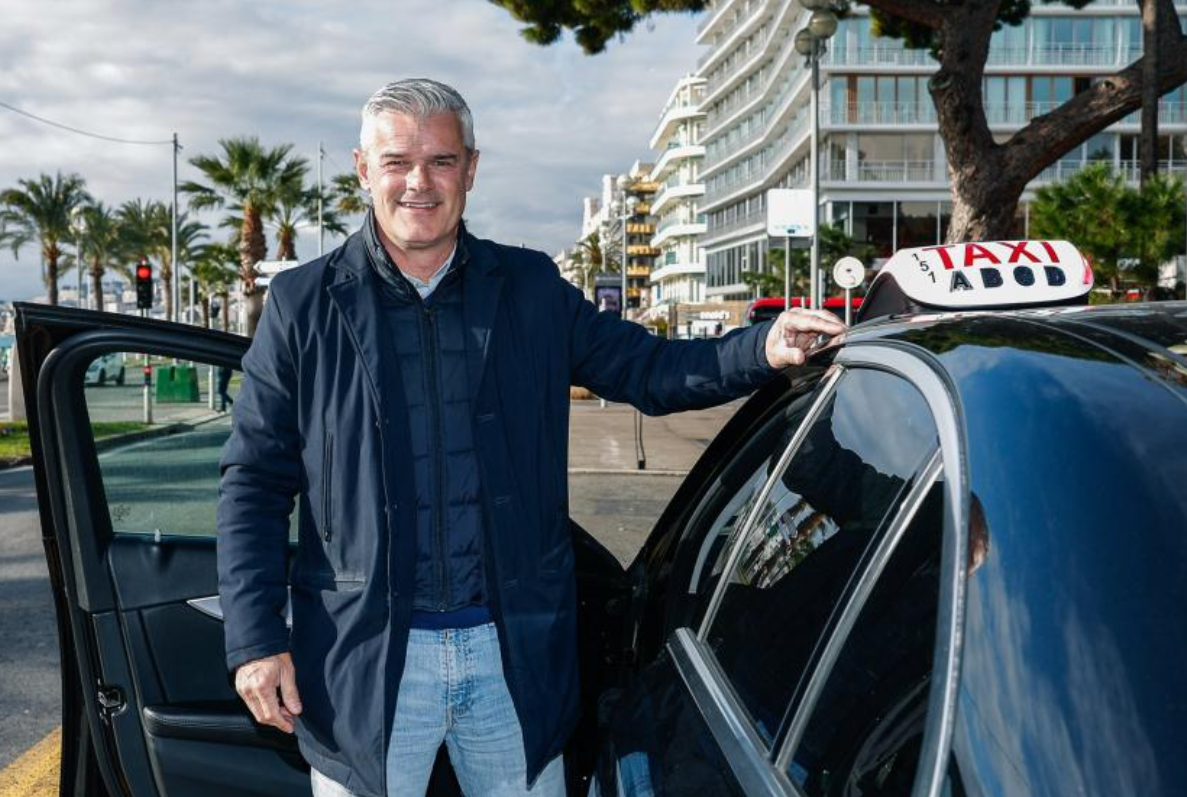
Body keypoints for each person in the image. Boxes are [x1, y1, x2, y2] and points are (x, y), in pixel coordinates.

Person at [216, 78, 845, 797]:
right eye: (397, 162)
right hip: (365, 660)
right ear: (364, 170)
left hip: (510, 657)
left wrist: (762, 348)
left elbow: (648, 369)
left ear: (471, 169)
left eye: (441, 161)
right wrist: (256, 639)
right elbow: (254, 482)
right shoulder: (302, 303)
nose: (419, 182)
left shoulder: (531, 287)